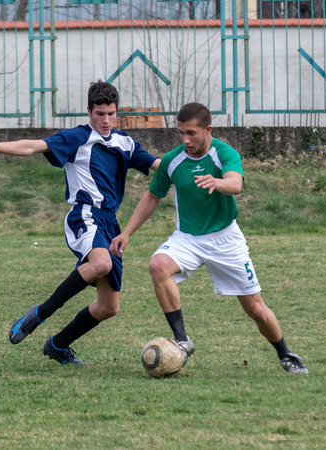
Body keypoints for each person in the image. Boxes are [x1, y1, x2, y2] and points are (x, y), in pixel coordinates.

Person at [0, 81, 160, 366]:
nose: (105, 120)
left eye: (110, 113)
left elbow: (161, 166)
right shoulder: (77, 138)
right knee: (101, 264)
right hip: (85, 215)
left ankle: (58, 345)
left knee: (108, 307)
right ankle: (40, 313)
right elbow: (32, 146)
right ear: (89, 111)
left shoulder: (125, 143)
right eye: (99, 114)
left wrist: (197, 173)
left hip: (111, 223)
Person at [110, 102, 308, 374]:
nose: (185, 139)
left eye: (191, 133)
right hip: (187, 238)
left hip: (225, 239)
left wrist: (217, 182)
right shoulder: (172, 160)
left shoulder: (224, 153)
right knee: (158, 265)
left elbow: (236, 183)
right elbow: (153, 196)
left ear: (208, 129)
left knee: (255, 309)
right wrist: (127, 232)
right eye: (181, 133)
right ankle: (182, 340)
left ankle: (286, 354)